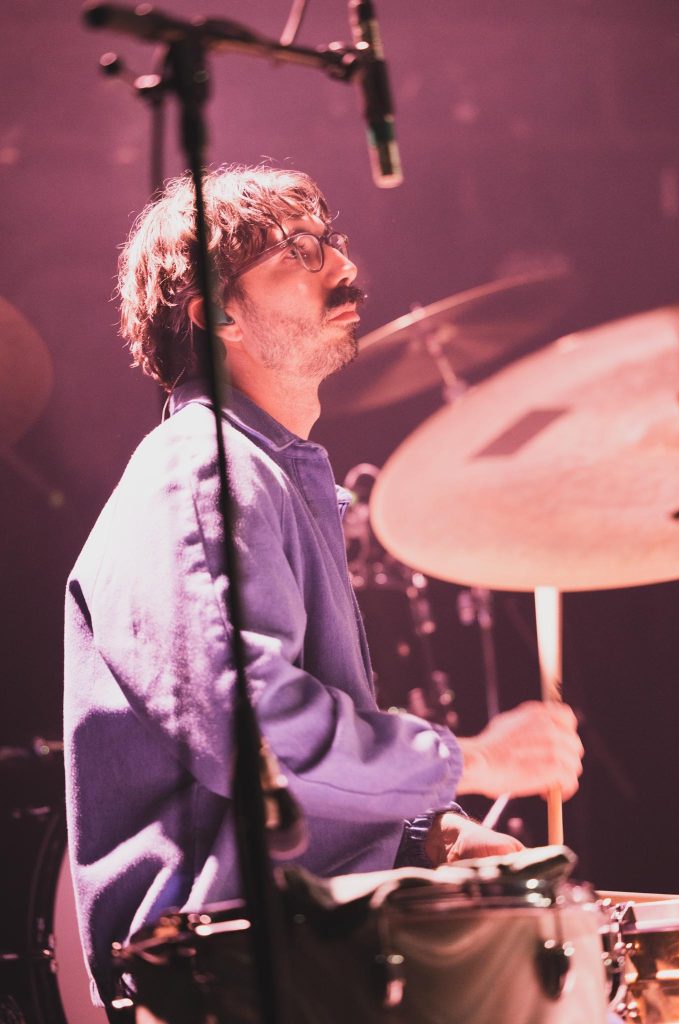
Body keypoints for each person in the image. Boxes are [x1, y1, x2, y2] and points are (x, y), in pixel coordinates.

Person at [63, 165, 583, 1010]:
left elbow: (294, 794)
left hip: (298, 947)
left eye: (329, 240)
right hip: (233, 972)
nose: (340, 264)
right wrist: (475, 760)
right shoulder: (202, 471)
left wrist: (424, 833)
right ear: (218, 315)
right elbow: (257, 735)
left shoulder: (269, 477)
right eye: (295, 253)